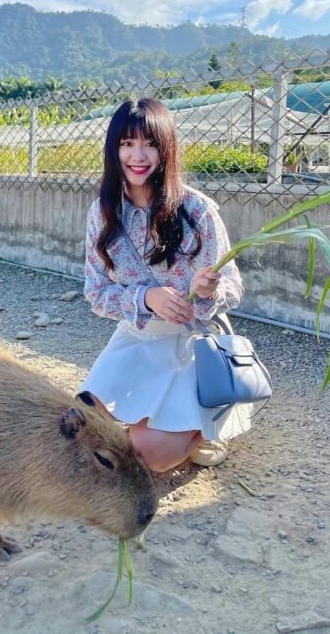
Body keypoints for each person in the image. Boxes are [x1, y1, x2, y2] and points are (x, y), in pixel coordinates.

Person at [80, 98, 250, 471]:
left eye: (149, 144)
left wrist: (209, 291)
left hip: (193, 342)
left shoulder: (197, 210)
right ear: (114, 150)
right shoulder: (103, 212)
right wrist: (146, 297)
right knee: (82, 429)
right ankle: (168, 422)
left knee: (145, 457)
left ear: (166, 148)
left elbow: (234, 286)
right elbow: (95, 292)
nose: (138, 155)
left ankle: (207, 431)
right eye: (127, 143)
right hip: (138, 337)